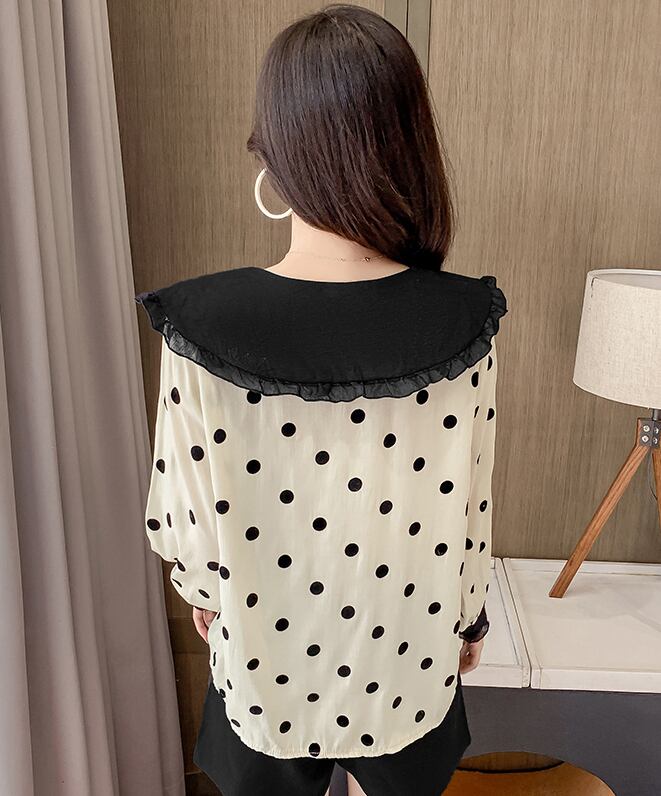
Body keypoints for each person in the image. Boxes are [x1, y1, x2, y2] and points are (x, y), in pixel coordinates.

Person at [135, 4, 507, 795]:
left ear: (271, 157)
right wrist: (468, 619)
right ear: (411, 150)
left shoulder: (200, 326)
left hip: (263, 668)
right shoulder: (464, 321)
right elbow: (469, 506)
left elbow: (181, 517)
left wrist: (205, 596)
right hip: (407, 662)